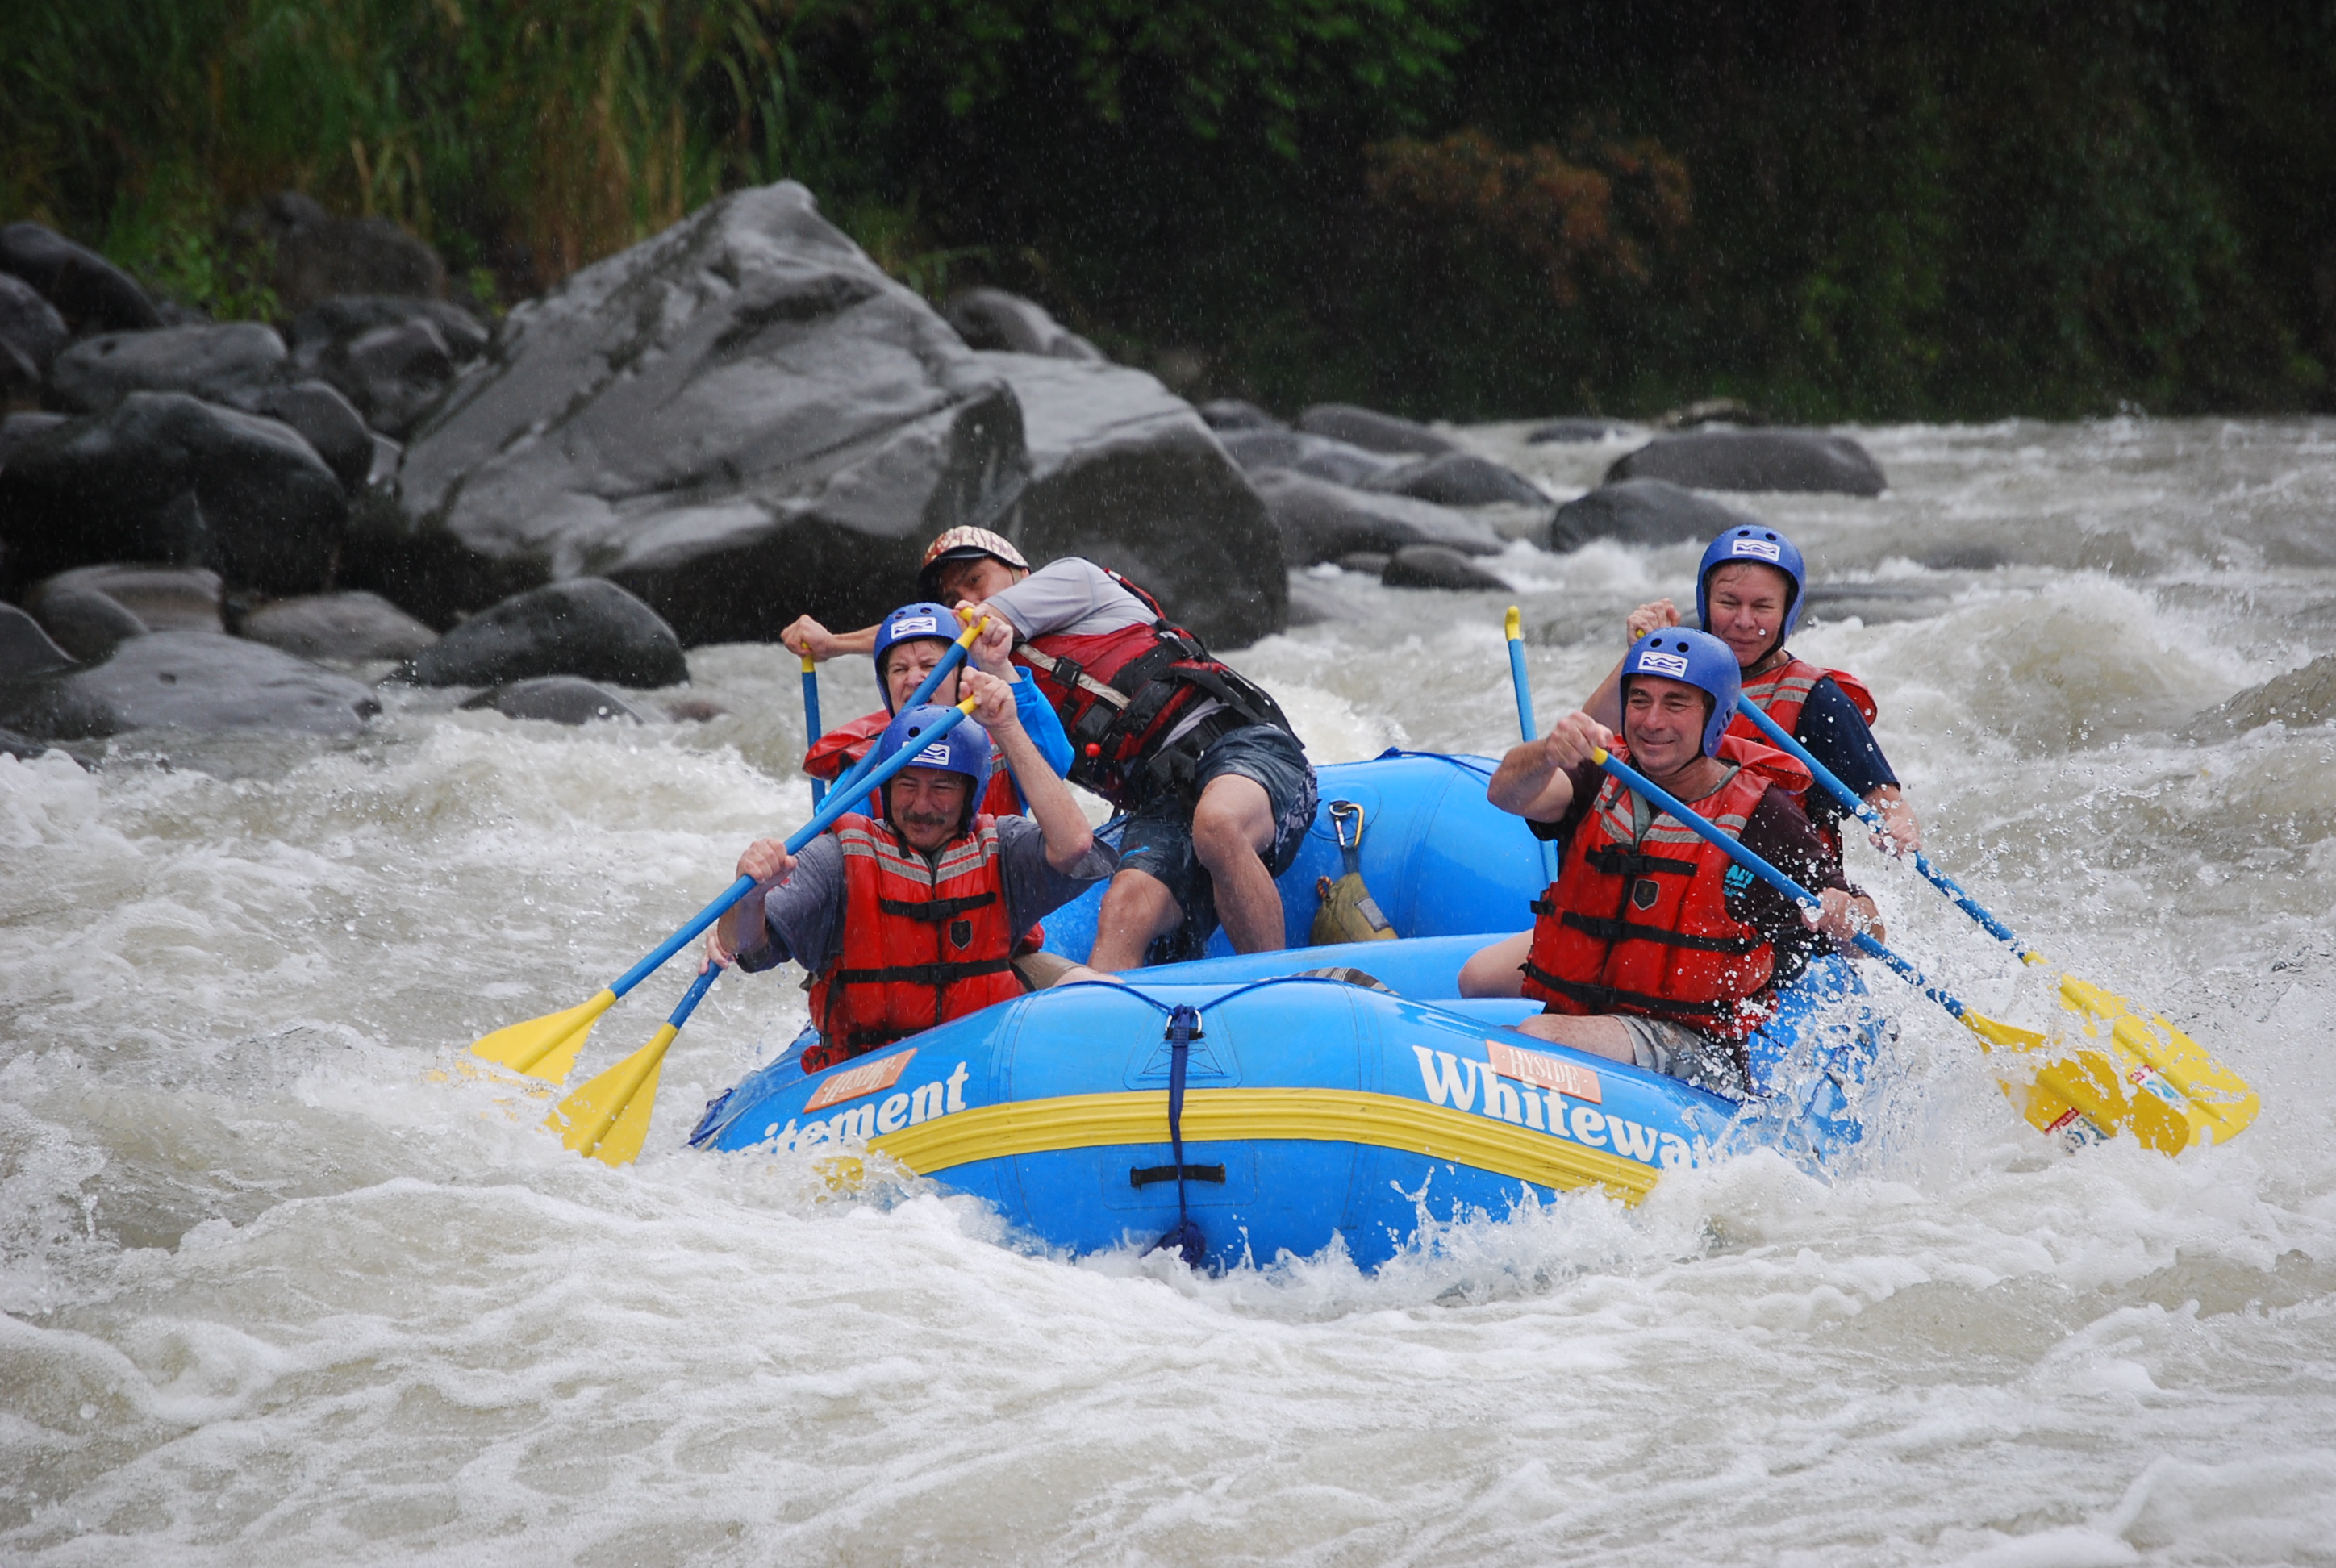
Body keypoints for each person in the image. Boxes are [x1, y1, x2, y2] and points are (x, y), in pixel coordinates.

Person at [782, 527, 1316, 970]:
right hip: (1161, 801)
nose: (965, 602)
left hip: (1241, 747)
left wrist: (834, 643)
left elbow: (943, 631)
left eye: (975, 581)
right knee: (1123, 910)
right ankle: (1101, 1066)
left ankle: (1270, 996)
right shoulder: (998, 687)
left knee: (1218, 825)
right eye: (951, 598)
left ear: (1018, 572)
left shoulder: (1074, 579)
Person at [1459, 630, 1882, 1100]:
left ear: (1716, 717)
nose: (1651, 720)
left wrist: (1847, 913)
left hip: (1694, 1042)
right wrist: (1546, 753)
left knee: (1539, 1035)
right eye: (1640, 700)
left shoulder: (1765, 816)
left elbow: (1868, 934)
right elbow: (1506, 793)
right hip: (1595, 1000)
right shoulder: (1604, 771)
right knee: (1474, 978)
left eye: (1675, 704)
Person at [707, 670, 1116, 1073]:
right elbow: (743, 944)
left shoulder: (1002, 847)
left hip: (980, 1052)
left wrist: (1007, 727)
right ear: (886, 786)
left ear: (970, 793)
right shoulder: (837, 858)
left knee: (1102, 997)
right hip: (869, 1070)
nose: (921, 805)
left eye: (941, 787)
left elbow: (1075, 845)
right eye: (907, 785)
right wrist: (751, 896)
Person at [1583, 524, 1919, 859]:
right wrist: (1642, 653)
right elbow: (1586, 747)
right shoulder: (1667, 673)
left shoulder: (1818, 700)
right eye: (1728, 602)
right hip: (1663, 866)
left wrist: (1898, 827)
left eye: (1762, 607)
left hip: (1762, 886)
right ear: (1705, 601)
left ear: (1788, 611)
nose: (1744, 621)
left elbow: (1887, 802)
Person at [804, 599, 1073, 819]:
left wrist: (999, 666)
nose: (914, 679)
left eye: (930, 666)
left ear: (961, 674)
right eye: (900, 669)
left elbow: (1055, 764)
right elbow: (827, 841)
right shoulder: (868, 764)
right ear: (885, 687)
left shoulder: (1003, 741)